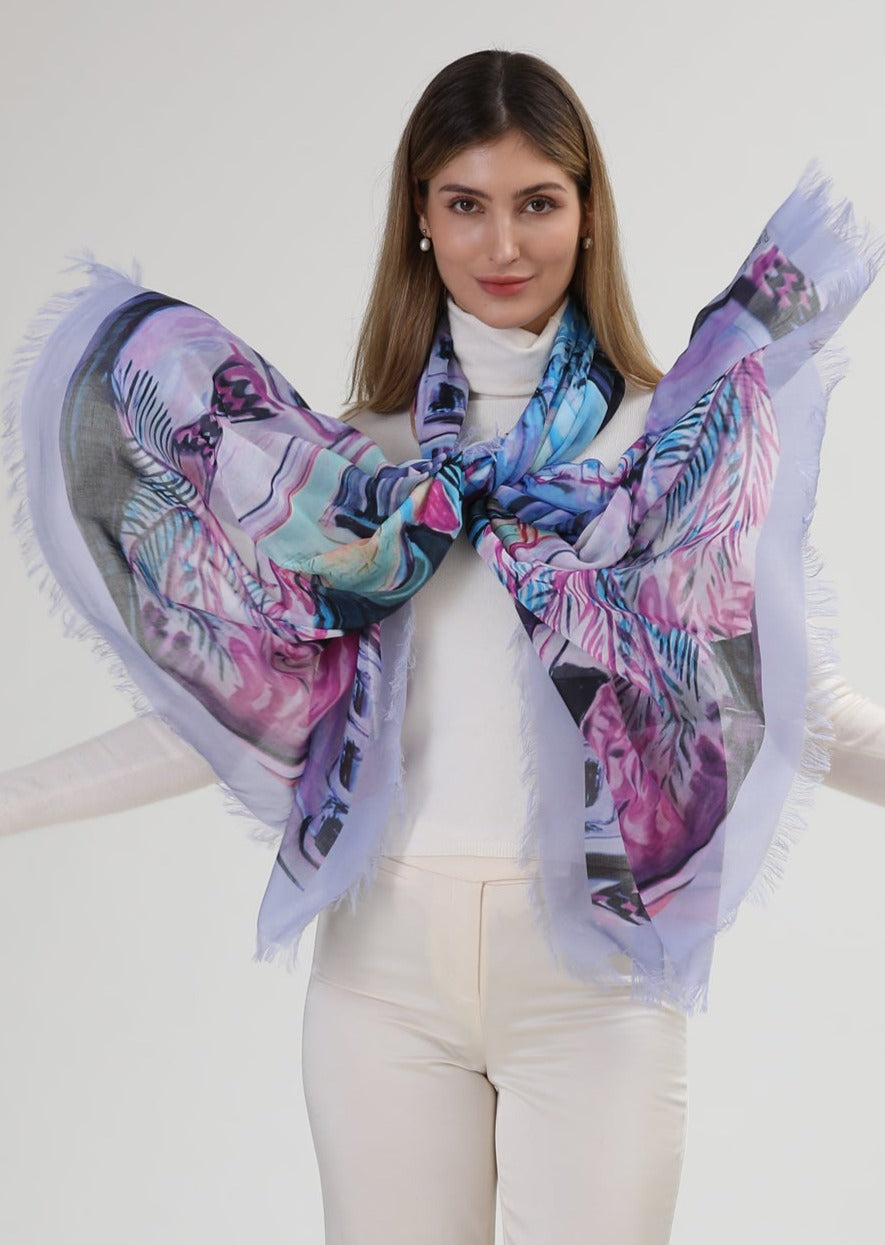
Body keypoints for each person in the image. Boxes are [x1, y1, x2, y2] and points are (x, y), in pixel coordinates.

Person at [2, 48, 884, 1245]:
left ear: (588, 213)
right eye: (466, 203)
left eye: (538, 202)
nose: (503, 244)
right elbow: (229, 710)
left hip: (595, 993)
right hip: (383, 988)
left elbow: (797, 704)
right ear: (419, 217)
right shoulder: (350, 472)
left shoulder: (663, 451)